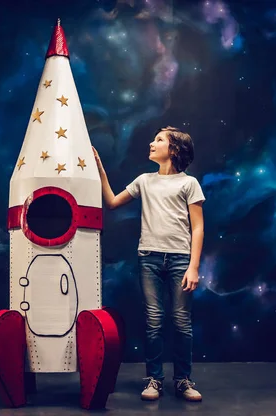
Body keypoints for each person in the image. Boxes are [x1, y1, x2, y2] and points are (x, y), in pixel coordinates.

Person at [92, 126, 205, 402]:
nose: (151, 143)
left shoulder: (188, 183)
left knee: (181, 321)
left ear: (174, 150)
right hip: (149, 258)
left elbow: (198, 227)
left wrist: (194, 266)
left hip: (180, 258)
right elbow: (112, 202)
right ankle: (154, 379)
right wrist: (99, 169)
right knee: (154, 321)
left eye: (159, 140)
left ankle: (183, 380)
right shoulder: (144, 180)